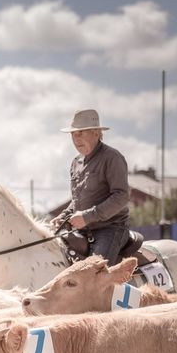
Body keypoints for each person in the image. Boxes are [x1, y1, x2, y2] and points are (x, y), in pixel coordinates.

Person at [55, 109, 130, 265]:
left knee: (93, 273)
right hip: (81, 230)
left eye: (81, 133)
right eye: (73, 134)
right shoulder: (76, 163)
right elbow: (78, 200)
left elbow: (121, 196)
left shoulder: (112, 158)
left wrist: (88, 217)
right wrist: (64, 216)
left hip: (110, 229)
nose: (76, 138)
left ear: (96, 133)